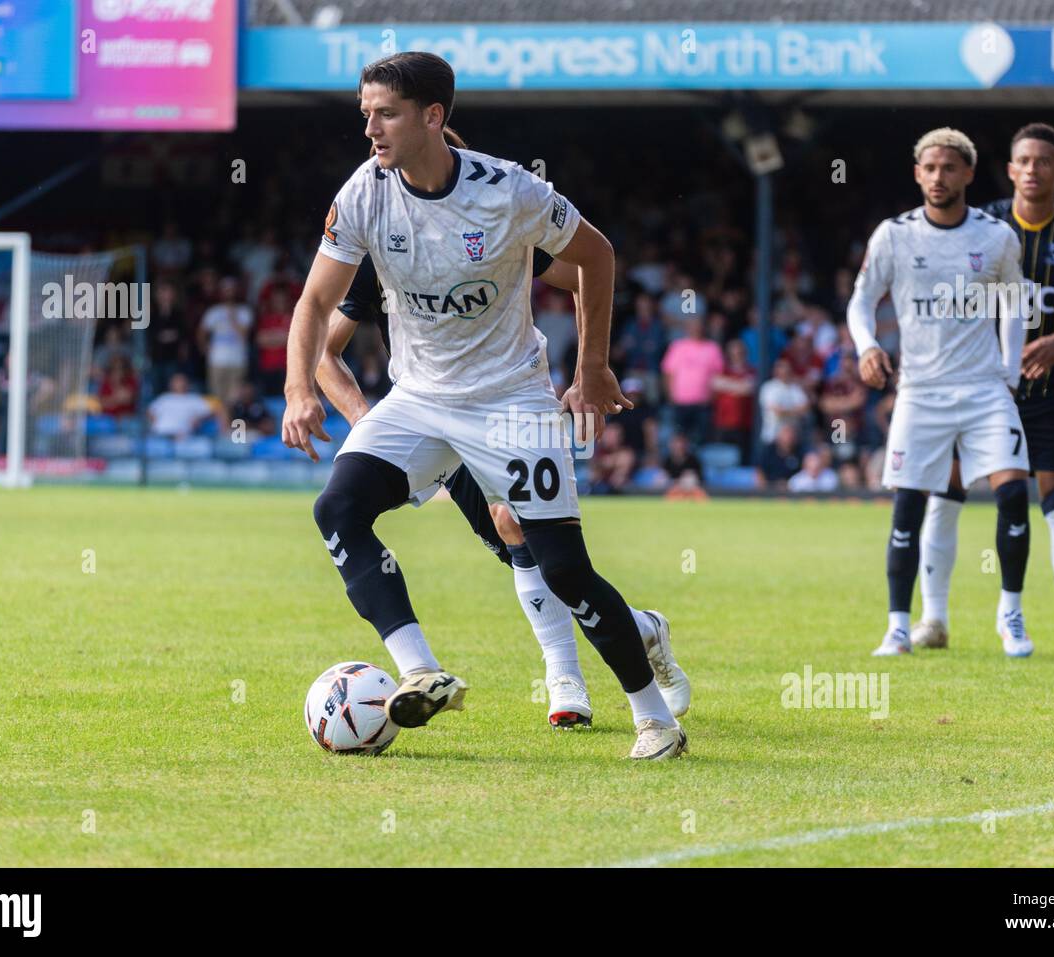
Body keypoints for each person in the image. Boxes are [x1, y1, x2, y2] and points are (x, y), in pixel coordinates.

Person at [283, 52, 689, 758]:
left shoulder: (511, 192)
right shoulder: (361, 196)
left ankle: (653, 716)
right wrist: (297, 390)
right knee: (337, 508)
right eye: (365, 114)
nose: (370, 129)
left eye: (385, 114)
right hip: (418, 399)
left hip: (510, 401)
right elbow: (316, 302)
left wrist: (590, 368)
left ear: (432, 117)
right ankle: (420, 669)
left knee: (562, 568)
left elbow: (596, 257)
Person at [913, 123, 1054, 658]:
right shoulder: (982, 225)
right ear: (1010, 168)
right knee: (946, 492)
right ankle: (933, 618)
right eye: (1022, 159)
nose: (1031, 169)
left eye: (1044, 161)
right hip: (974, 388)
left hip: (1046, 392)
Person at [848, 127, 1032, 658]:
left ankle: (1012, 615)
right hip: (920, 390)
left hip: (983, 387)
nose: (938, 177)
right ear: (916, 174)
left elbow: (1015, 304)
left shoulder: (996, 236)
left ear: (969, 174)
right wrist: (865, 346)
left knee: (1014, 492)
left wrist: (1011, 372)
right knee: (907, 505)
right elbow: (861, 302)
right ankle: (899, 626)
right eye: (929, 168)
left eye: (949, 168)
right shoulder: (894, 235)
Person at [660, 316, 724, 450]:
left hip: (703, 404)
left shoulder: (712, 348)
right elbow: (668, 373)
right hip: (681, 402)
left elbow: (718, 375)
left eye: (698, 325)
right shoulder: (678, 346)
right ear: (687, 328)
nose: (696, 329)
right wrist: (671, 396)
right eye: (693, 326)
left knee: (702, 441)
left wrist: (712, 397)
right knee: (679, 438)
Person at [199, 277, 253, 410]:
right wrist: (205, 348)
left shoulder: (244, 311)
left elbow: (244, 335)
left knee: (234, 397)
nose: (229, 293)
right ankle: (222, 426)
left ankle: (231, 425)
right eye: (226, 290)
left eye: (232, 290)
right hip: (216, 360)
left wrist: (233, 317)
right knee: (217, 396)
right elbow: (201, 332)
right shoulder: (213, 311)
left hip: (237, 360)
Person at [149, 373, 218, 438]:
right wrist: (154, 421)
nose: (180, 384)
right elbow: (150, 412)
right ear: (171, 384)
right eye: (177, 381)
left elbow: (215, 411)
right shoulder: (164, 398)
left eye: (182, 381)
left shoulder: (194, 399)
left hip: (183, 436)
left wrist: (200, 419)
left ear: (187, 383)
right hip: (159, 434)